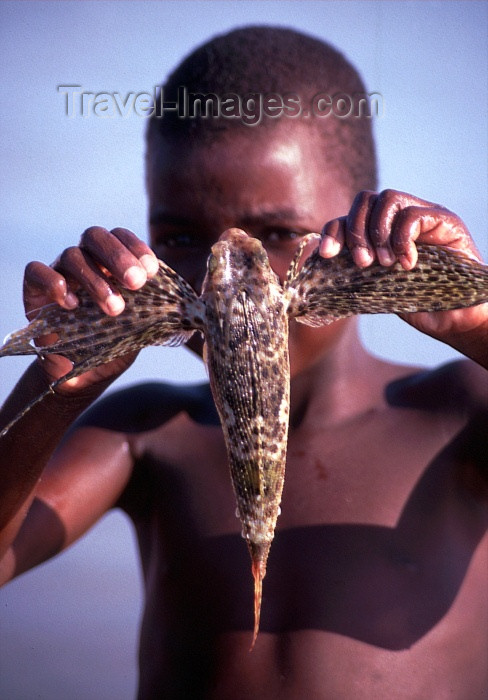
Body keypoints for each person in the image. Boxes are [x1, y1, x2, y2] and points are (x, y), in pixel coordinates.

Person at [0, 25, 487, 699]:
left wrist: (478, 321)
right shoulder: (146, 431)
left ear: (359, 229)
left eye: (279, 234)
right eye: (179, 238)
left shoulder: (461, 412)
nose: (219, 273)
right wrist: (52, 384)